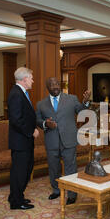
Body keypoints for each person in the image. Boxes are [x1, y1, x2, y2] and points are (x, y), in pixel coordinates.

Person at [36, 77, 91, 205]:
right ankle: (56, 190)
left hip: (69, 139)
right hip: (51, 140)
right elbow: (37, 120)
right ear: (47, 87)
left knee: (70, 167)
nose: (55, 87)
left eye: (57, 84)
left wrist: (86, 102)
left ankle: (72, 194)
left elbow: (81, 111)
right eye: (52, 85)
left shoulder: (71, 99)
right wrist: (45, 123)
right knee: (54, 168)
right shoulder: (41, 104)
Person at [8, 67, 40, 210]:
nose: (33, 80)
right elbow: (16, 119)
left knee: (24, 170)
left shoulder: (22, 93)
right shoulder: (16, 94)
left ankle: (16, 196)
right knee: (20, 171)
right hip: (21, 141)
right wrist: (31, 131)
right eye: (31, 78)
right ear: (25, 79)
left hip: (24, 141)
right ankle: (16, 202)